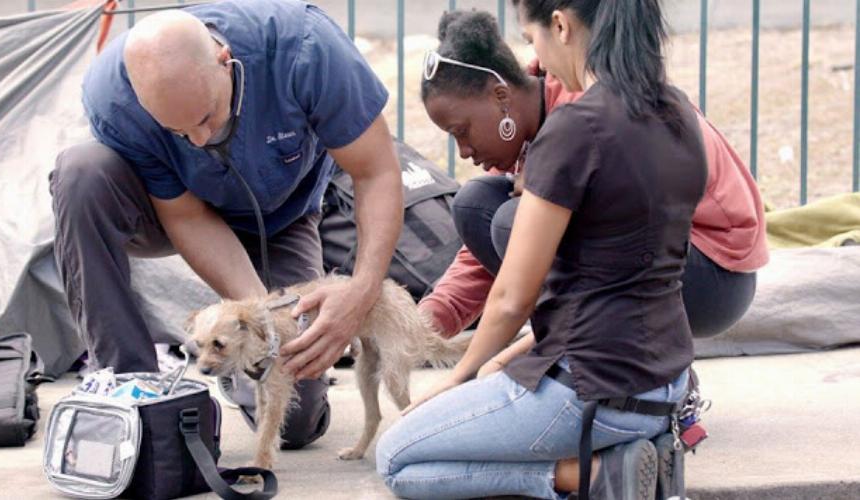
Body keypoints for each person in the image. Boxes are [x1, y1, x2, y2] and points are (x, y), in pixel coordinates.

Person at [377, 1, 710, 498]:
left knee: (396, 459)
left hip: (593, 393)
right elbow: (616, 280)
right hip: (666, 387)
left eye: (532, 41)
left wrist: (460, 377)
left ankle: (594, 476)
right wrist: (501, 361)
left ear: (560, 25)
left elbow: (513, 295)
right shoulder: (678, 109)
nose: (535, 61)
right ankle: (641, 456)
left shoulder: (575, 128)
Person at [51, 0, 402, 449]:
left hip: (278, 218)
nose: (198, 141)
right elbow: (188, 216)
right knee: (81, 173)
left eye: (204, 119)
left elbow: (376, 172)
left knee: (294, 420)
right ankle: (130, 386)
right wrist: (260, 312)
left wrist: (361, 291)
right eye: (177, 132)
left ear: (225, 62)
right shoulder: (112, 94)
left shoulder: (306, 50)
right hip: (179, 212)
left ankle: (238, 371)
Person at [417, 10, 768, 348]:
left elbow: (638, 205)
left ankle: (585, 358)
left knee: (515, 222)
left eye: (462, 131)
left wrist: (544, 176)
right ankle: (578, 351)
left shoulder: (590, 104)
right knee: (476, 204)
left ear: (500, 97)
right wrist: (421, 326)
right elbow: (481, 264)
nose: (463, 151)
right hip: (650, 257)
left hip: (713, 273)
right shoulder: (533, 132)